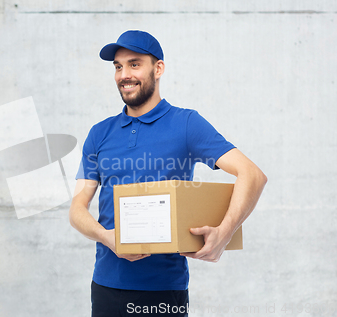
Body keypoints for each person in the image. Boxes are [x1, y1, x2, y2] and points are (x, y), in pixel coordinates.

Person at [69, 30, 267, 317]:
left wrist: (225, 233)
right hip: (106, 286)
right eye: (118, 66)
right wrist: (107, 237)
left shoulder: (186, 124)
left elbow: (252, 174)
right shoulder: (99, 133)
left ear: (158, 68)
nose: (124, 74)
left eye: (134, 64)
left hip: (163, 290)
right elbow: (77, 208)